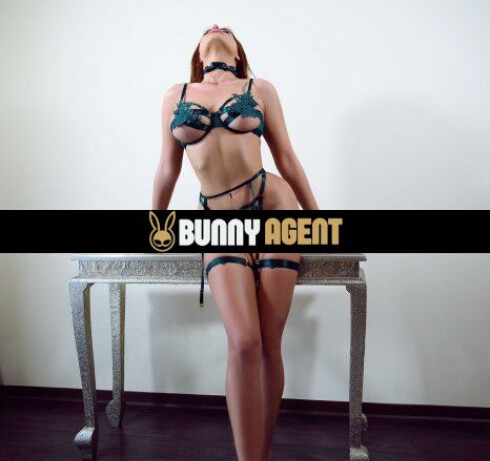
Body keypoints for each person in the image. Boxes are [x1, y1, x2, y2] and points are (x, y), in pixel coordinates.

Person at [152, 24, 319, 461]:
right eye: (209, 28)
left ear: (239, 53)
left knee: (268, 345)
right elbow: (167, 169)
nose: (216, 25)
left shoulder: (259, 88)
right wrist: (156, 225)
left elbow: (287, 158)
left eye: (226, 29)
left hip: (274, 204)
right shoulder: (177, 94)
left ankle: (261, 456)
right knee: (244, 341)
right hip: (218, 220)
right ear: (198, 53)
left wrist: (318, 220)